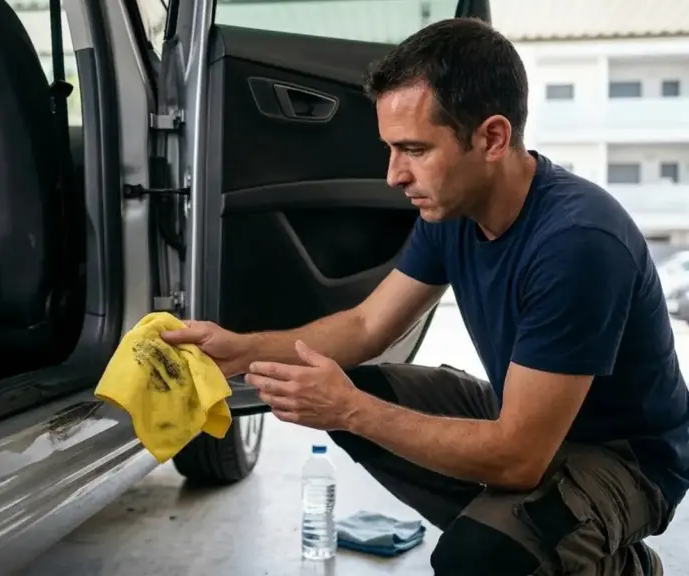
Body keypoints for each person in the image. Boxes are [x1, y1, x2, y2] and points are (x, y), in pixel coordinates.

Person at [162, 17, 689, 575]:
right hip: (526, 414)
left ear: (492, 138)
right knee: (358, 390)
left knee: (476, 559)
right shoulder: (454, 211)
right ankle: (540, 536)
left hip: (623, 458)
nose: (394, 175)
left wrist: (350, 408)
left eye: (414, 149)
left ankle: (591, 556)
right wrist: (241, 350)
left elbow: (518, 457)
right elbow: (367, 327)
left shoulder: (578, 243)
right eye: (391, 149)